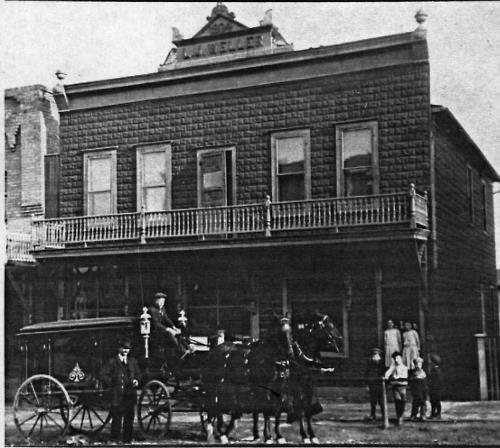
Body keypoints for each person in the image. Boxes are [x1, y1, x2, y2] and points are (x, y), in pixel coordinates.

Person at [100, 339, 140, 443]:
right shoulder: (112, 361)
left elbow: (138, 374)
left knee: (129, 417)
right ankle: (115, 438)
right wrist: (112, 383)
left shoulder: (133, 361)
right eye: (124, 348)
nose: (126, 351)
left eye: (128, 349)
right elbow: (103, 375)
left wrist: (136, 380)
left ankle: (127, 439)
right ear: (119, 348)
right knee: (117, 417)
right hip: (117, 394)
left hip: (130, 394)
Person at [384, 351, 409, 426]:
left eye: (398, 358)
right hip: (396, 386)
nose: (397, 360)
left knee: (403, 401)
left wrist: (396, 379)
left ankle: (401, 415)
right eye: (395, 358)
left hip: (402, 386)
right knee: (397, 401)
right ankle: (399, 417)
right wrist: (387, 376)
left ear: (401, 358)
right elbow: (387, 373)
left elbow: (403, 377)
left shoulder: (404, 368)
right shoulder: (393, 367)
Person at [365, 348, 385, 421]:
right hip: (372, 386)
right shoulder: (369, 366)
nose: (375, 358)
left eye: (377, 356)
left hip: (380, 386)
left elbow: (384, 375)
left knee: (382, 402)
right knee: (373, 402)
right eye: (374, 356)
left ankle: (384, 415)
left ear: (380, 357)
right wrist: (367, 385)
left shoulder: (382, 366)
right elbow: (366, 376)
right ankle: (373, 415)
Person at [409, 357, 428, 421]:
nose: (418, 365)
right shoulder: (414, 373)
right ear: (415, 365)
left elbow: (425, 383)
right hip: (416, 390)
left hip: (423, 390)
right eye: (417, 364)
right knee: (416, 403)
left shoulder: (423, 373)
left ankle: (423, 415)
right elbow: (412, 383)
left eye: (420, 364)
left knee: (423, 403)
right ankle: (414, 415)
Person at [427, 353, 443, 419]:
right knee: (433, 402)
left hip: (436, 389)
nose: (429, 362)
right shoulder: (433, 369)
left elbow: (438, 381)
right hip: (433, 389)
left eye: (430, 361)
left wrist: (432, 386)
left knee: (436, 401)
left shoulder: (436, 370)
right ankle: (433, 414)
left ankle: (438, 414)